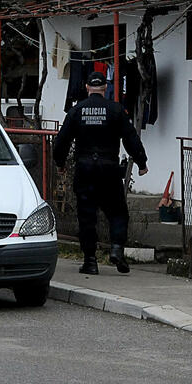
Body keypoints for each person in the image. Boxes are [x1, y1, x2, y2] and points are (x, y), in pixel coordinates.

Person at [53, 71, 148, 275]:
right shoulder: (115, 110)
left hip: (85, 169)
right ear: (105, 89)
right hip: (109, 169)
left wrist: (60, 163)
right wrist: (142, 162)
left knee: (87, 217)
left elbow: (61, 141)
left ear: (87, 88)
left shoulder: (77, 111)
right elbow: (130, 138)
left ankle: (90, 261)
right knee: (117, 212)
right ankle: (116, 250)